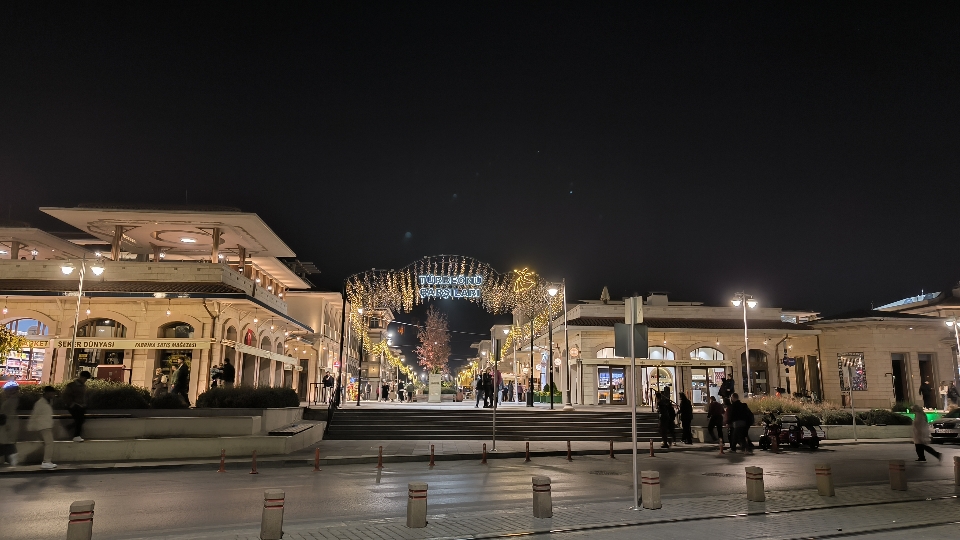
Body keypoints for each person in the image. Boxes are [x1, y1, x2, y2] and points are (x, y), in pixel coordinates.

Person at [28, 385, 58, 469]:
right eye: (52, 394)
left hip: (45, 425)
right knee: (49, 443)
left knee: (47, 443)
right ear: (47, 393)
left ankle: (46, 461)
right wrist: (31, 427)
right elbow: (34, 415)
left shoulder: (46, 402)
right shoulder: (40, 403)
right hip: (43, 426)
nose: (53, 395)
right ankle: (46, 461)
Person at [61, 371, 91, 442]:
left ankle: (70, 428)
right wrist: (71, 404)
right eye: (85, 379)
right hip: (74, 406)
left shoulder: (83, 386)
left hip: (80, 405)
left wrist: (84, 404)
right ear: (81, 377)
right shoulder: (72, 385)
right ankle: (76, 435)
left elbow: (83, 396)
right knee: (79, 419)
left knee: (81, 419)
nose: (85, 380)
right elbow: (66, 396)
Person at [0, 381, 21, 467]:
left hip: (7, 425)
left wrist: (7, 424)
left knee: (6, 442)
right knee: (6, 442)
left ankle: (12, 459)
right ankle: (9, 459)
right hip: (7, 424)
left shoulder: (12, 400)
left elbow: (8, 413)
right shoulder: (12, 399)